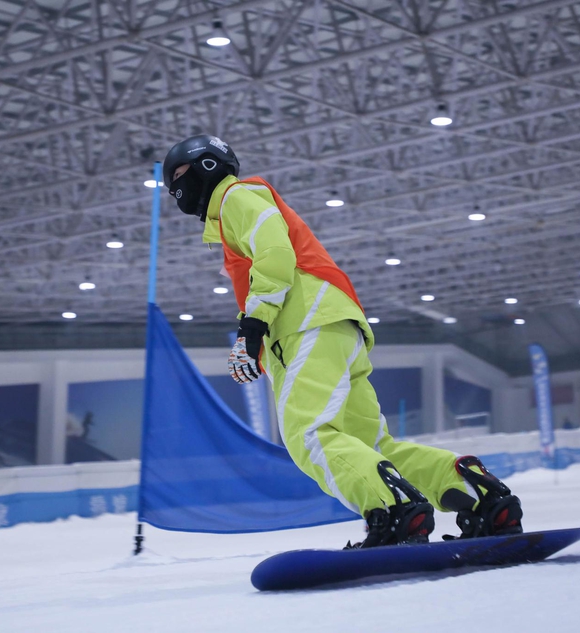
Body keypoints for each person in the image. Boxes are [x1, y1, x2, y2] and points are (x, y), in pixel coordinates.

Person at [163, 134, 524, 547]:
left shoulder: (235, 199)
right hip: (335, 324)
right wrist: (255, 340)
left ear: (205, 167)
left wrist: (252, 329)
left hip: (305, 325)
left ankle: (392, 509)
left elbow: (275, 255)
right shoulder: (241, 205)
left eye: (177, 176)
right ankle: (483, 500)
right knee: (368, 445)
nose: (176, 189)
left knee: (309, 436)